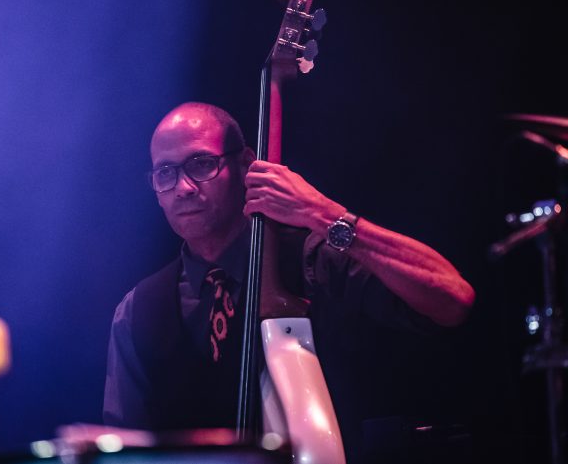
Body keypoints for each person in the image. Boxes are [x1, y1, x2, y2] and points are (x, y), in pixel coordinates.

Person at [103, 101, 474, 457]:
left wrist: (324, 215)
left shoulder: (316, 257)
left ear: (247, 164)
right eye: (165, 173)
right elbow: (126, 450)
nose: (184, 188)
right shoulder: (136, 312)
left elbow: (452, 299)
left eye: (202, 164)